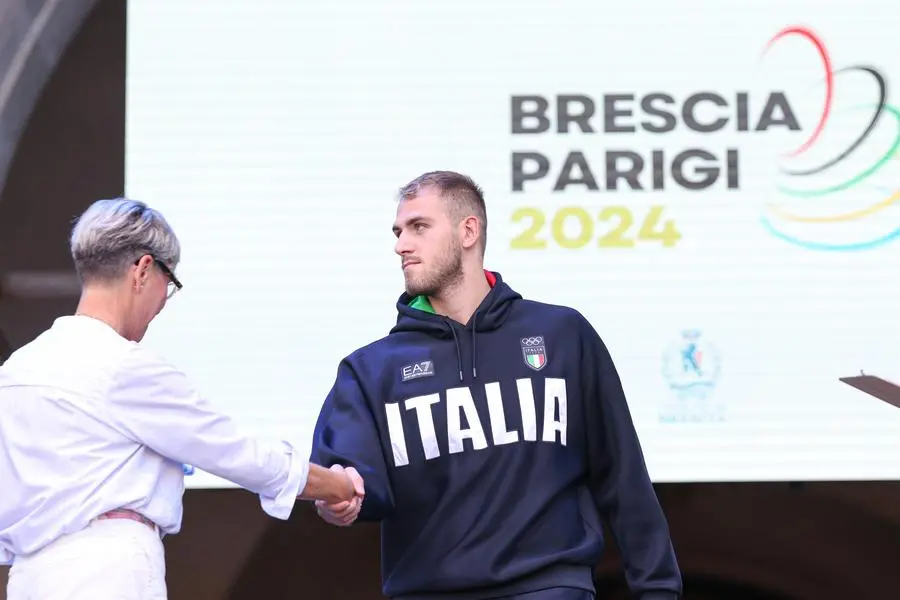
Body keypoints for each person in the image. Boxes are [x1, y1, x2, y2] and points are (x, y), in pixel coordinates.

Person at [310, 171, 682, 600]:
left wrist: (658, 590)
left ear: (469, 230)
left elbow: (622, 475)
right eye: (398, 232)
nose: (401, 245)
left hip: (550, 588)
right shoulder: (372, 369)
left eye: (419, 227)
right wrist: (338, 500)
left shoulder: (563, 334)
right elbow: (352, 480)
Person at [0, 198, 364, 600]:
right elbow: (233, 451)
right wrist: (335, 484)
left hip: (28, 578)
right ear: (142, 269)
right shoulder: (122, 366)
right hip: (107, 572)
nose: (161, 303)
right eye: (168, 284)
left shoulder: (15, 372)